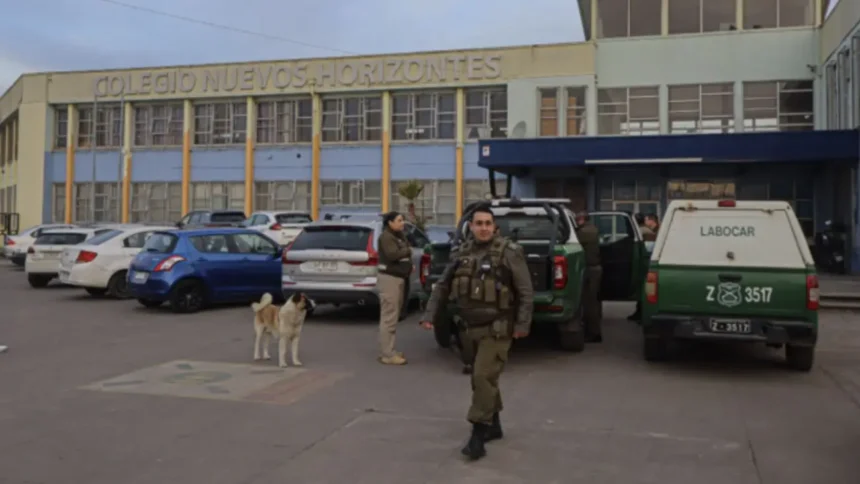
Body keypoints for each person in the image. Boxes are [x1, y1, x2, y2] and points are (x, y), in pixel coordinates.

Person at [420, 205, 534, 461]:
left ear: (495, 227)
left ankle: (477, 434)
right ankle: (494, 424)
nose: (483, 228)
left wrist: (522, 325)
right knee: (482, 380)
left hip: (499, 327)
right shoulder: (460, 253)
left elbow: (526, 292)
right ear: (470, 227)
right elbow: (442, 286)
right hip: (468, 329)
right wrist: (429, 316)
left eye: (487, 223)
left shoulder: (509, 253)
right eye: (478, 223)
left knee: (482, 376)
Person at [376, 211, 412, 366]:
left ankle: (390, 349)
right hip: (389, 279)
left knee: (393, 315)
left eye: (402, 220)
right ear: (390, 223)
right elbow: (392, 254)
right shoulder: (386, 237)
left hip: (398, 278)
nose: (402, 223)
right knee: (389, 316)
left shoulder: (397, 235)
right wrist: (407, 251)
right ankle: (387, 354)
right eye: (399, 220)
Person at [574, 210, 603, 343]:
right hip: (593, 268)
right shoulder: (591, 229)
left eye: (577, 219)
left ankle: (594, 333)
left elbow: (575, 239)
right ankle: (592, 330)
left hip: (591, 269)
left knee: (590, 302)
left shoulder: (586, 232)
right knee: (592, 301)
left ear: (582, 219)